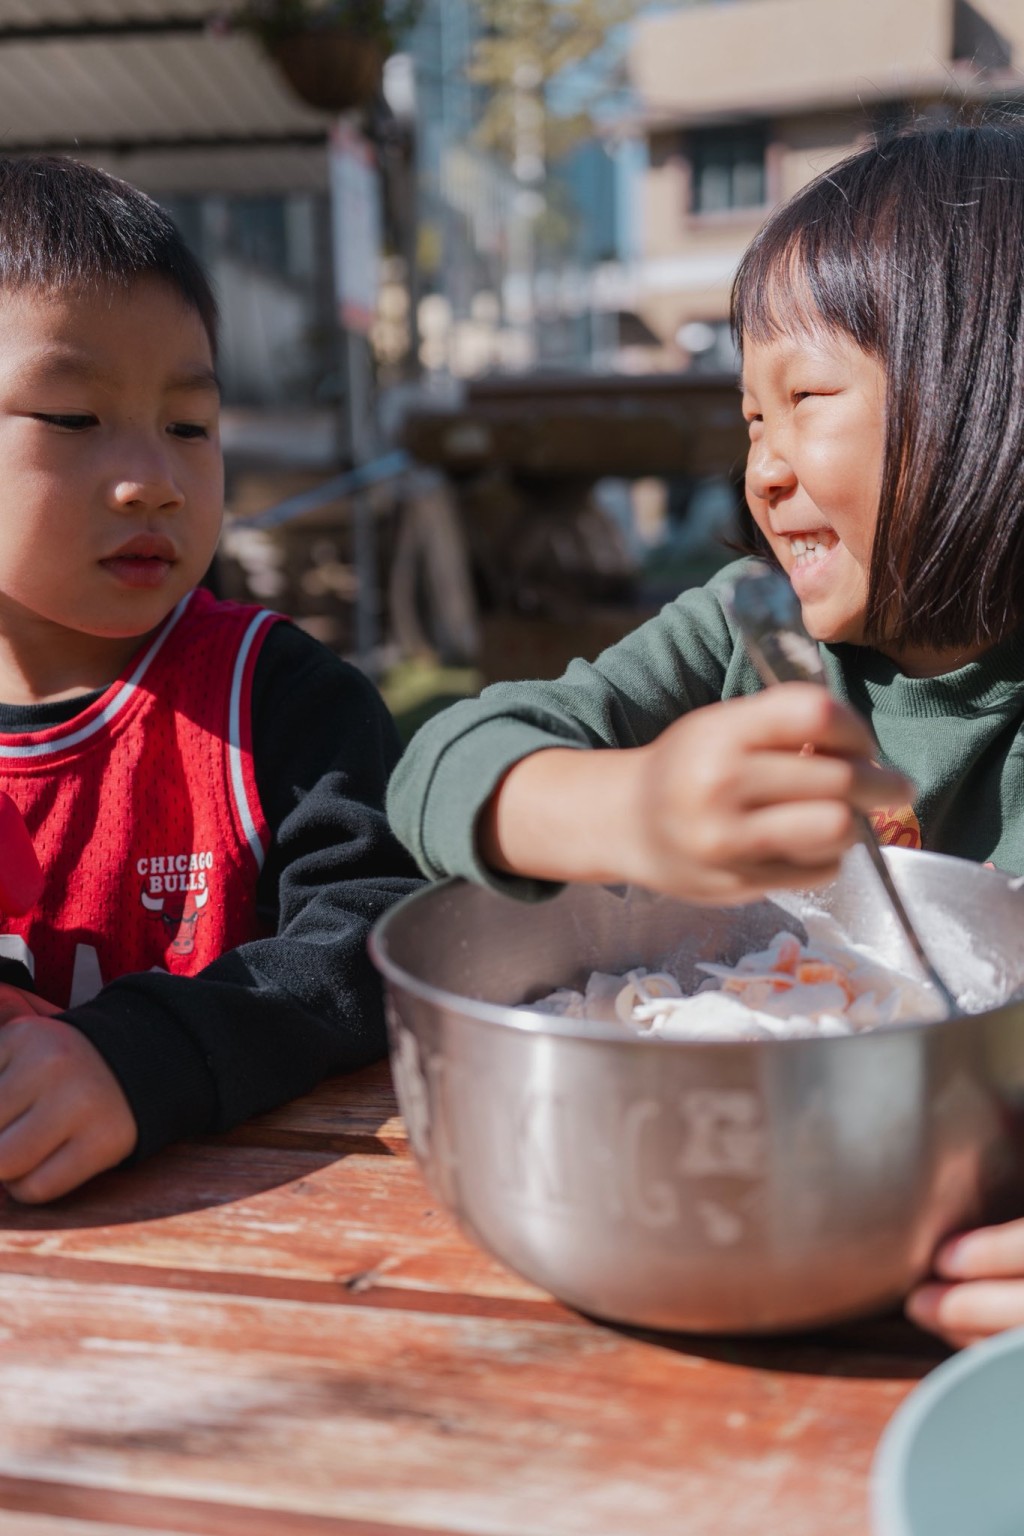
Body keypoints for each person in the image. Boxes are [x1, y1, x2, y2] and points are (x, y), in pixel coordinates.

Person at [389, 121, 1024, 1350]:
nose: (764, 470)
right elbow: (436, 761)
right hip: (719, 1210)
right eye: (748, 420)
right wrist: (626, 810)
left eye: (807, 399)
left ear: (989, 392)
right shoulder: (746, 638)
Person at [0, 154, 421, 1204]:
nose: (152, 479)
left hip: (256, 1258)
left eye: (190, 426)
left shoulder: (281, 700)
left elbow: (381, 938)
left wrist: (147, 1059)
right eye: (74, 417)